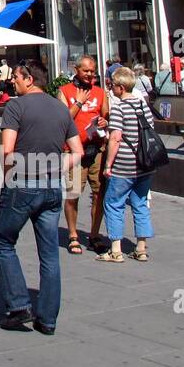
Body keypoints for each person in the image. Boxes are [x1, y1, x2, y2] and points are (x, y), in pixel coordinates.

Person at [0, 59, 81, 334]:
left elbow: (7, 151)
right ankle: (48, 320)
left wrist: (8, 178)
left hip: (23, 182)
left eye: (17, 77)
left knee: (3, 241)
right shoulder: (61, 108)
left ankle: (19, 306)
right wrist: (55, 168)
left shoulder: (16, 106)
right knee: (50, 254)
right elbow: (77, 151)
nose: (13, 81)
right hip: (53, 187)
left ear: (29, 79)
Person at [98, 66, 156, 263]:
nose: (111, 88)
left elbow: (115, 139)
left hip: (123, 165)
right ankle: (141, 248)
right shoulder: (144, 106)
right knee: (140, 204)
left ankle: (116, 249)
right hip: (144, 164)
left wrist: (108, 165)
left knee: (114, 204)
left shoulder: (119, 108)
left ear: (121, 88)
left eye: (112, 85)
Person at [58, 56, 110, 255]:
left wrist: (105, 122)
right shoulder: (65, 91)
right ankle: (72, 235)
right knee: (73, 194)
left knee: (99, 194)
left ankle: (95, 234)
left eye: (93, 71)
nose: (90, 74)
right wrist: (78, 103)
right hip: (74, 151)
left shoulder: (99, 92)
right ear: (76, 69)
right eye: (86, 71)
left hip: (96, 149)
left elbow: (106, 116)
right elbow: (63, 119)